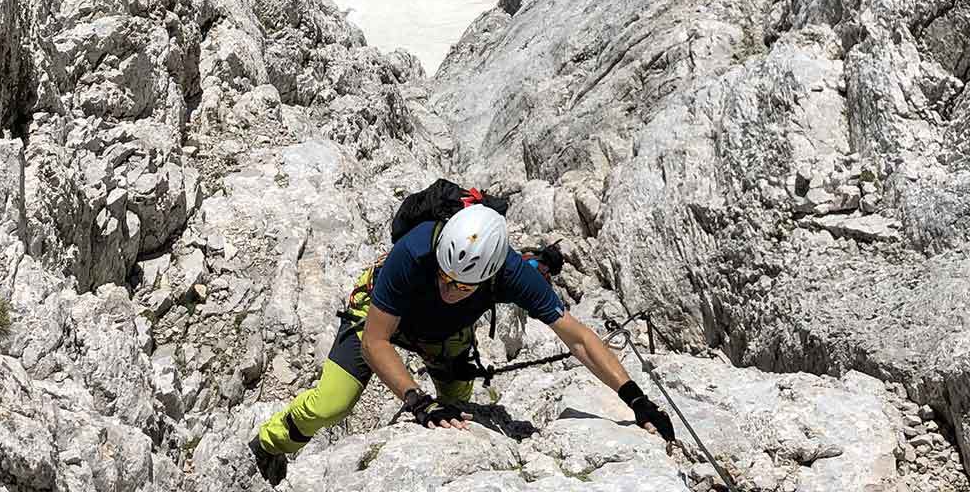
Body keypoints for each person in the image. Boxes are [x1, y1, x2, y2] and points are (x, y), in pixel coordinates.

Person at [249, 203, 675, 485]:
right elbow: (376, 341)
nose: (450, 288)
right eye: (445, 277)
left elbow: (578, 338)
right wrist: (416, 400)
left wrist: (635, 399)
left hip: (444, 332)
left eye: (463, 285)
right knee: (332, 403)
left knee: (458, 402)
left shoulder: (512, 273)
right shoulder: (413, 254)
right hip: (381, 313)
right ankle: (267, 444)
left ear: (489, 277)